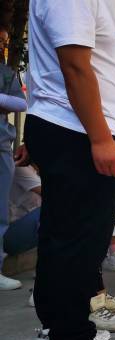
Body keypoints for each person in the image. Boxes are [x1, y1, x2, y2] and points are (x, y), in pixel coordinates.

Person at [23, 0, 115, 340]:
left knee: (65, 237)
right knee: (79, 241)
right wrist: (100, 136)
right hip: (74, 128)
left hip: (83, 127)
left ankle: (55, 331)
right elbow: (73, 63)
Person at [0, 24, 27, 291]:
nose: (2, 47)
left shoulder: (7, 72)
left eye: (5, 43)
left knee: (0, 210)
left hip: (1, 145)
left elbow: (20, 103)